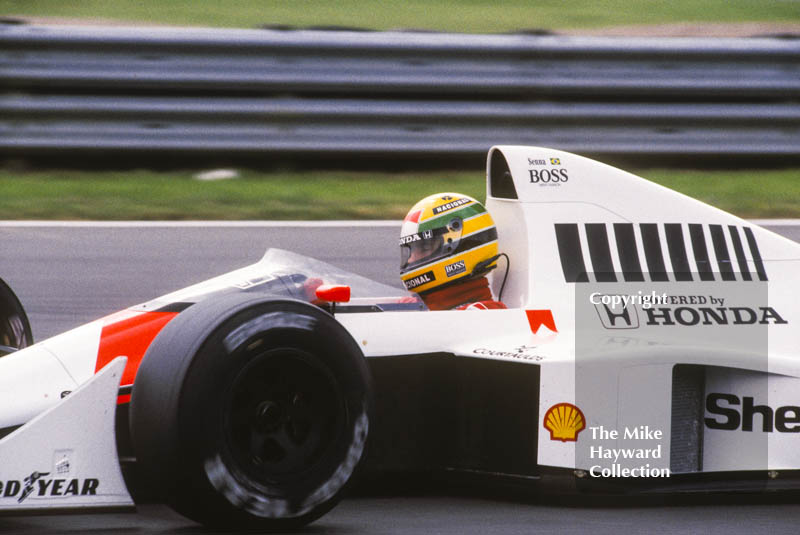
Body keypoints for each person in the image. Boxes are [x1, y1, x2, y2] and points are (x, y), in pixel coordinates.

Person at [399, 193, 506, 310]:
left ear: (459, 245)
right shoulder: (415, 306)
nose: (411, 259)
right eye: (411, 250)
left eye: (424, 248)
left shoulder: (482, 313)